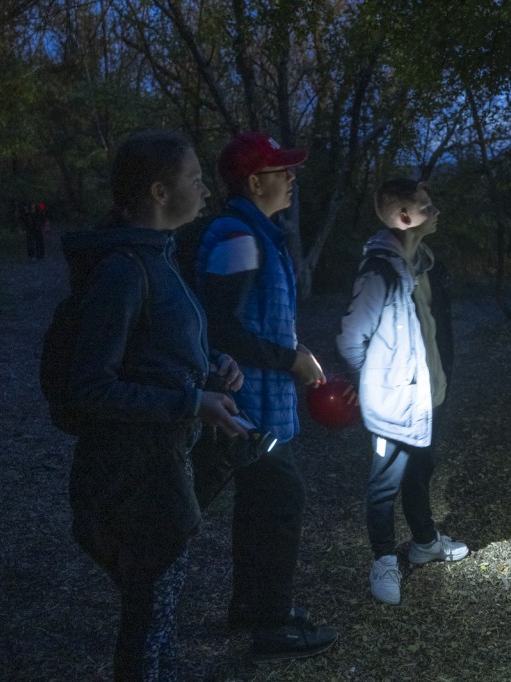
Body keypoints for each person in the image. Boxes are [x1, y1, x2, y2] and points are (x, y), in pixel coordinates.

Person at [64, 129, 250, 681]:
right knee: (148, 623)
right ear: (159, 192)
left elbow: (155, 350)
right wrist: (192, 401)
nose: (206, 190)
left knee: (158, 615)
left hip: (163, 466)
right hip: (135, 477)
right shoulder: (124, 270)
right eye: (195, 178)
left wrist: (213, 364)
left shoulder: (161, 255)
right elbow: (89, 387)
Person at [194, 132, 337, 660]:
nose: (292, 178)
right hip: (245, 406)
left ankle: (251, 607)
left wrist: (295, 350)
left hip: (259, 402)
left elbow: (251, 318)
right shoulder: (238, 236)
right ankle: (273, 625)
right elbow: (219, 327)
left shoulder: (257, 234)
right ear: (255, 183)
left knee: (260, 500)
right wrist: (289, 360)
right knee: (281, 497)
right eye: (282, 171)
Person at [336, 178, 466, 606]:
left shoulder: (426, 263)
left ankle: (424, 542)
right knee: (385, 482)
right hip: (394, 401)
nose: (436, 211)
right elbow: (350, 338)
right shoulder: (380, 268)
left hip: (429, 394)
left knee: (421, 469)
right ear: (404, 217)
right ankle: (383, 560)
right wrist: (371, 382)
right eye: (427, 206)